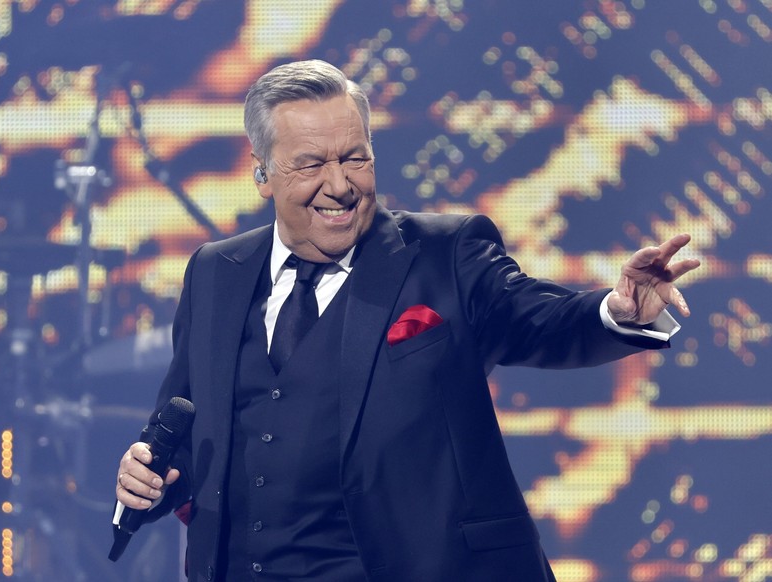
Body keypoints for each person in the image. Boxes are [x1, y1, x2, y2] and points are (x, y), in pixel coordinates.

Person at [114, 59, 700, 581]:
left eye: (355, 158)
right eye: (311, 163)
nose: (339, 185)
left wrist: (613, 312)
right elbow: (188, 426)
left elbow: (536, 319)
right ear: (263, 174)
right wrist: (150, 476)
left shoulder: (446, 253)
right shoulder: (216, 272)